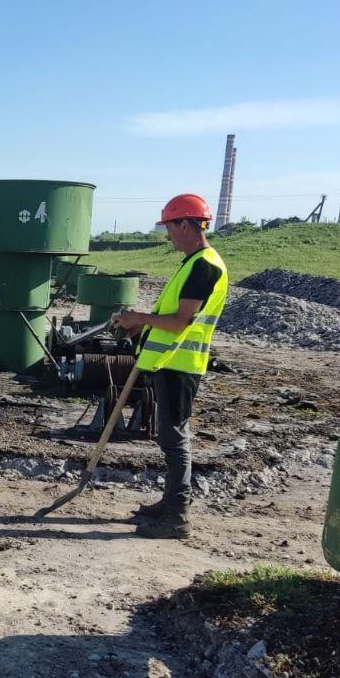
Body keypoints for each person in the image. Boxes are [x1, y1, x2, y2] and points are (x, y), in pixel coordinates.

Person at [112, 193, 228, 539]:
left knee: (175, 437)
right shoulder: (193, 263)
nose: (167, 235)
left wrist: (138, 316)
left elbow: (180, 322)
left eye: (170, 227)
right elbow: (173, 319)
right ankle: (169, 502)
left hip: (182, 366)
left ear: (185, 224)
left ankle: (177, 516)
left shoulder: (204, 266)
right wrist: (140, 326)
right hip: (171, 363)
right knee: (168, 434)